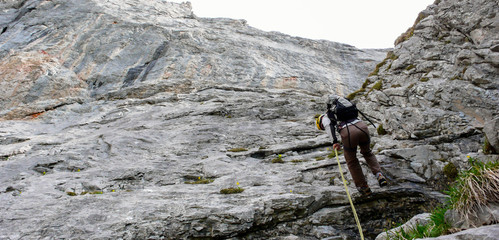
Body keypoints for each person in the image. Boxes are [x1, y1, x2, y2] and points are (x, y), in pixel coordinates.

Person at [316, 95, 388, 196]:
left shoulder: (325, 117)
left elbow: (329, 127)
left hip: (349, 132)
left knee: (351, 160)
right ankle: (379, 174)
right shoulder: (344, 108)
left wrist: (334, 142)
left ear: (320, 122)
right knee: (367, 152)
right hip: (363, 127)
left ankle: (363, 187)